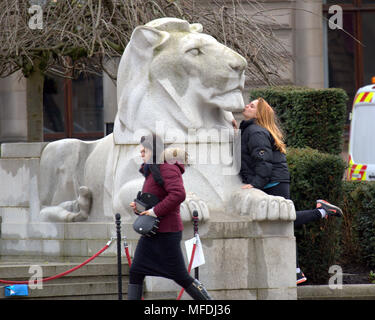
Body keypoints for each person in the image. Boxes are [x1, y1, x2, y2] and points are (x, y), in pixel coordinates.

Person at [235, 98, 344, 285]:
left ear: (259, 113)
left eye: (252, 106)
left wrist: (255, 184)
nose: (246, 106)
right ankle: (296, 270)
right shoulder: (251, 129)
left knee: (285, 219)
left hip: (272, 182)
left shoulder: (255, 132)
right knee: (283, 219)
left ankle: (322, 212)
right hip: (274, 180)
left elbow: (263, 160)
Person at [127, 134, 212, 300]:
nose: (141, 154)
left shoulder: (167, 167)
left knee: (181, 276)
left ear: (153, 150)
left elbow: (178, 194)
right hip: (153, 233)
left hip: (166, 233)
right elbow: (155, 198)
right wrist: (140, 209)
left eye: (144, 151)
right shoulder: (152, 170)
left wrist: (154, 212)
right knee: (136, 271)